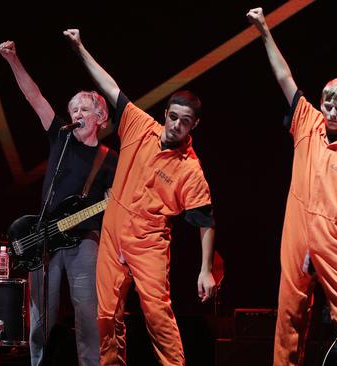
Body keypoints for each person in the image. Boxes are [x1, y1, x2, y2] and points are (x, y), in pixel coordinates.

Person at [63, 29, 216, 366]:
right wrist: (79, 47)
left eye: (185, 122)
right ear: (166, 113)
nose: (176, 125)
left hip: (149, 243)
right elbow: (109, 85)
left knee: (157, 316)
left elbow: (205, 221)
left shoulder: (190, 169)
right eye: (173, 117)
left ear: (194, 126)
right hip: (114, 231)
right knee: (106, 316)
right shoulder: (138, 125)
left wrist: (206, 270)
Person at [246, 8, 337, 366]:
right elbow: (283, 76)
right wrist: (264, 30)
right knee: (289, 314)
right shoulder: (307, 121)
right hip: (298, 227)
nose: (332, 112)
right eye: (327, 104)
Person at [0, 41, 118, 366]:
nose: (76, 114)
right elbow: (34, 97)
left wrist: (112, 205)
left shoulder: (109, 160)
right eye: (74, 109)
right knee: (40, 316)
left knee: (87, 314)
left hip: (85, 241)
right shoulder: (61, 137)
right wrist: (13, 59)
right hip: (46, 236)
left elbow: (117, 206)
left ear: (101, 117)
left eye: (83, 109)